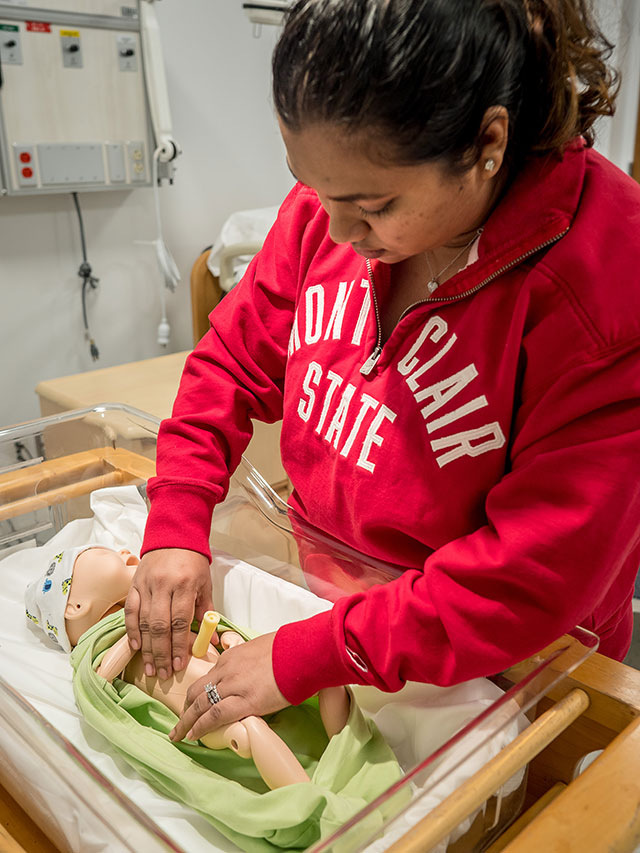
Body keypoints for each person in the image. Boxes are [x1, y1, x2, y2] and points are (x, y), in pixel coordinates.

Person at [126, 0, 640, 746]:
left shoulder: (603, 286)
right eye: (312, 188)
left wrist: (317, 652)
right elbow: (233, 359)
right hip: (334, 601)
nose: (335, 230)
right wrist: (177, 516)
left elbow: (531, 576)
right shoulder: (335, 207)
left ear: (487, 143)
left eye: (372, 205)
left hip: (510, 663)